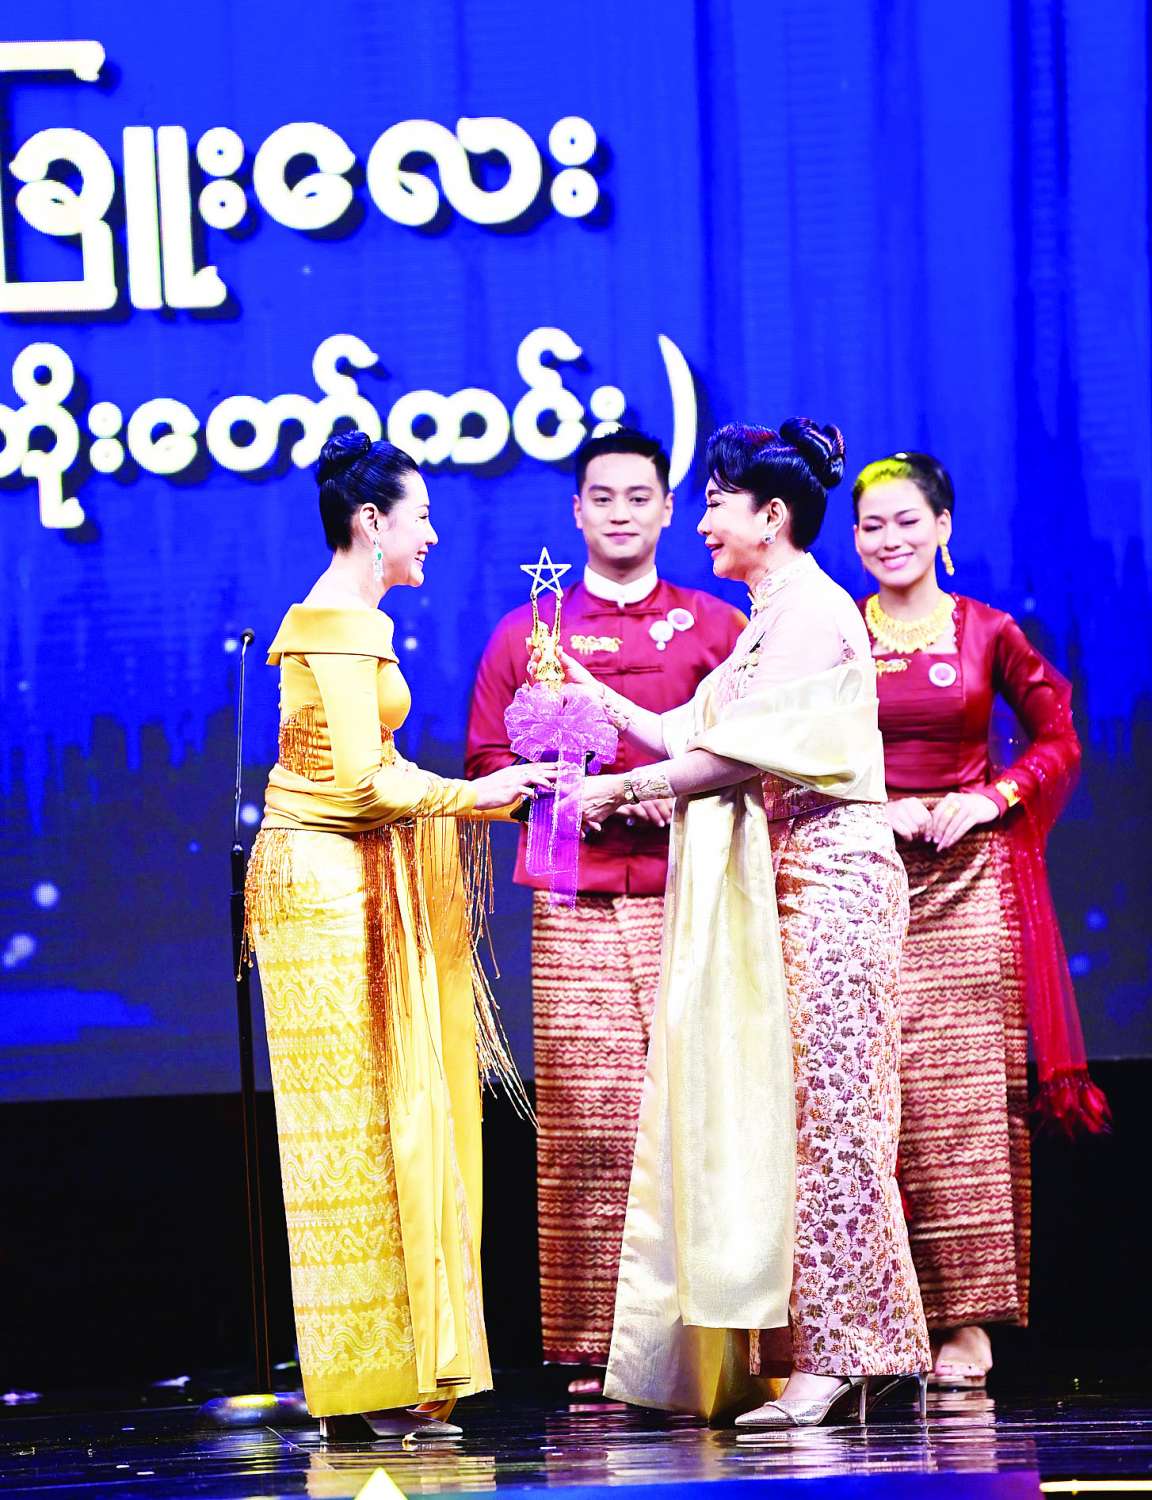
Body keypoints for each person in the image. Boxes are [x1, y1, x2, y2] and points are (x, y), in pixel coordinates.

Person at [570, 419, 931, 1427]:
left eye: (716, 502)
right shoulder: (771, 618)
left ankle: (841, 1356)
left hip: (836, 878)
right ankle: (870, 1345)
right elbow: (688, 730)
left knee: (837, 1119)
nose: (703, 522)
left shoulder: (810, 612)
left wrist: (619, 790)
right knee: (811, 1116)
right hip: (794, 876)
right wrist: (583, 693)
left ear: (770, 515)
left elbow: (741, 755)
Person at [244, 431, 555, 1443]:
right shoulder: (338, 623)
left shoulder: (354, 618)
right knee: (349, 1134)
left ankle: (396, 1369)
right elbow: (365, 786)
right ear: (370, 522)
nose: (433, 533)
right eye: (421, 515)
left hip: (347, 871)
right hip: (325, 887)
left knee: (381, 1126)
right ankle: (365, 1377)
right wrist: (481, 794)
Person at [465, 428, 745, 1392]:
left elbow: (756, 755)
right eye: (603, 497)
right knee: (589, 1126)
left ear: (669, 509)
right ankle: (594, 1345)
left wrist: (668, 792)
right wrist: (557, 793)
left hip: (692, 897)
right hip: (574, 901)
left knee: (702, 1113)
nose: (621, 513)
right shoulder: (527, 636)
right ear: (576, 511)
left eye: (639, 496)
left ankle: (711, 1335)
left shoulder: (716, 627)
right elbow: (483, 766)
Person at [852, 451, 1109, 1389]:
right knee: (869, 1107)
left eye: (907, 520)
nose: (890, 539)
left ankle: (965, 1326)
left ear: (944, 526)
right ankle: (875, 1322)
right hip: (862, 881)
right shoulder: (837, 634)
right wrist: (870, 808)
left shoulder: (988, 630)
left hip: (969, 889)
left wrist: (992, 796)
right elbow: (792, 752)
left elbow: (1059, 735)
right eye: (872, 525)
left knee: (962, 1109)